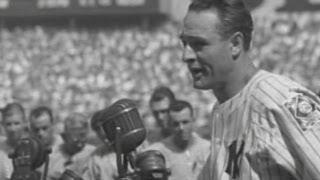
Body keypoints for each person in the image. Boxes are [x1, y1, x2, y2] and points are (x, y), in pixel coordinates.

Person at [179, 0, 320, 179]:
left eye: (198, 44)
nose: (186, 55)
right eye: (184, 43)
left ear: (236, 44)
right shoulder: (221, 108)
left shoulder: (278, 100)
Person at [146, 100, 210, 180]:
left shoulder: (208, 149)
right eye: (176, 124)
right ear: (169, 124)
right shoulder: (157, 153)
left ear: (193, 120)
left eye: (185, 122)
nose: (181, 128)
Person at [46, 113, 95, 180]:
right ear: (65, 136)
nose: (79, 142)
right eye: (74, 135)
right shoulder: (52, 155)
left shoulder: (93, 155)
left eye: (82, 135)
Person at [82, 110, 118, 180]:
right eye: (97, 129)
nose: (102, 131)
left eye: (105, 126)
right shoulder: (95, 157)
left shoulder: (133, 147)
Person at [0, 102, 29, 179]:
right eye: (9, 124)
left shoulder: (34, 148)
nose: (13, 129)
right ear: (2, 125)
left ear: (25, 123)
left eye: (16, 123)